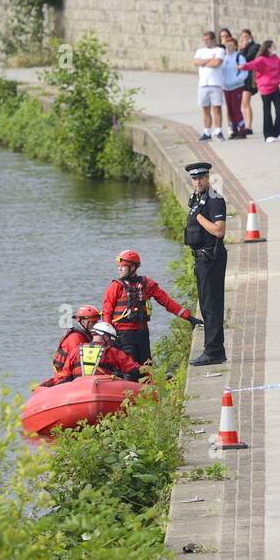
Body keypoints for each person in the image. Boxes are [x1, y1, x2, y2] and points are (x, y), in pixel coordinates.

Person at [101, 250, 197, 365]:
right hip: (123, 335)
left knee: (146, 367)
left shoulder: (147, 284)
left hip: (142, 333)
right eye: (119, 266)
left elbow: (167, 302)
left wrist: (189, 317)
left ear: (133, 267)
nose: (119, 269)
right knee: (131, 369)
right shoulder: (115, 287)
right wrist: (107, 336)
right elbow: (106, 312)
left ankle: (149, 382)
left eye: (123, 266)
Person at [183, 162, 227, 365]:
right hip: (200, 259)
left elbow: (219, 231)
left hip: (211, 259)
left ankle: (215, 351)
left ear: (208, 177)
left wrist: (199, 216)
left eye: (201, 177)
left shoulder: (215, 200)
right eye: (194, 178)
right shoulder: (196, 198)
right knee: (206, 306)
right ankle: (210, 349)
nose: (198, 181)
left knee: (212, 306)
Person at [56, 321, 141, 383]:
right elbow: (133, 368)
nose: (111, 343)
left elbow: (65, 375)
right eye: (111, 340)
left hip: (79, 389)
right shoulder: (111, 351)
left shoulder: (76, 350)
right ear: (105, 336)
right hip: (104, 388)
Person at [241, 40, 280, 141]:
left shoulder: (276, 58)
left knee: (279, 110)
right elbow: (251, 64)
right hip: (265, 88)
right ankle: (268, 135)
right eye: (273, 46)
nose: (275, 48)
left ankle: (278, 131)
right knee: (267, 111)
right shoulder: (261, 59)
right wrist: (242, 67)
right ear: (268, 48)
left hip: (275, 87)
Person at [50, 304, 101, 381]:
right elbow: (78, 360)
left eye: (96, 322)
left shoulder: (87, 334)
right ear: (83, 321)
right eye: (93, 322)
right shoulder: (75, 337)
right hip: (64, 377)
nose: (95, 325)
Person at [193, 30, 225, 139]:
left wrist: (203, 62)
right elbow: (196, 62)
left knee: (217, 108)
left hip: (215, 84)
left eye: (208, 40)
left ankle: (219, 131)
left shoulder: (220, 50)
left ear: (213, 40)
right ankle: (207, 132)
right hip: (203, 84)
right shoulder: (200, 51)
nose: (206, 42)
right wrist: (209, 59)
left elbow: (216, 63)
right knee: (205, 109)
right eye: (204, 40)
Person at [220, 35, 248, 138]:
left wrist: (236, 81)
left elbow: (244, 72)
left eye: (231, 45)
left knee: (236, 109)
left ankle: (242, 130)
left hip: (236, 87)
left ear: (236, 46)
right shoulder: (224, 57)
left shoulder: (239, 57)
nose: (228, 47)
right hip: (226, 88)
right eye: (227, 45)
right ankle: (234, 130)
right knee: (230, 109)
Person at [237, 29, 259, 134]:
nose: (244, 39)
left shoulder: (255, 46)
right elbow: (237, 60)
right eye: (243, 37)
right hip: (242, 78)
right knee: (243, 103)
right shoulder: (241, 48)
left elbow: (247, 58)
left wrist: (243, 48)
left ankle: (249, 127)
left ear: (250, 36)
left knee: (245, 102)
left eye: (246, 36)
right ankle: (246, 125)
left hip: (250, 78)